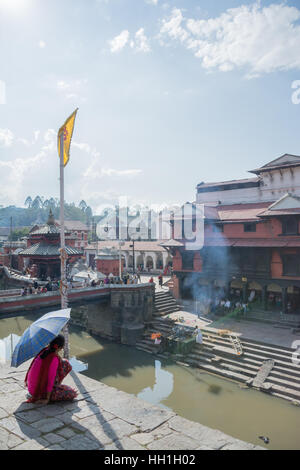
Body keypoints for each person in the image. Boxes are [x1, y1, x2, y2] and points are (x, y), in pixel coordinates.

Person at [24, 335, 77, 404]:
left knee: (65, 363)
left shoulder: (45, 350)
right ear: (61, 348)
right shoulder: (53, 359)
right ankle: (52, 390)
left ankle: (56, 386)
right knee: (71, 392)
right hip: (38, 392)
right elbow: (50, 379)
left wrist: (57, 356)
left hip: (32, 387)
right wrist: (47, 399)